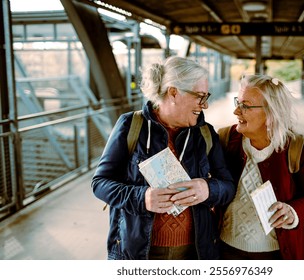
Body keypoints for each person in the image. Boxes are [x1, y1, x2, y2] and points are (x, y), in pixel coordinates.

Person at [91, 56, 235, 260]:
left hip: (194, 253)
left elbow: (228, 186)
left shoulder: (205, 134)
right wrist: (141, 198)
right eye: (200, 96)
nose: (205, 105)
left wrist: (208, 189)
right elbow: (100, 183)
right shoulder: (130, 126)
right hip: (139, 253)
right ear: (173, 93)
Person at [218, 74, 304, 260]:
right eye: (238, 102)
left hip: (277, 254)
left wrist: (292, 212)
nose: (236, 111)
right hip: (226, 251)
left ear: (271, 113)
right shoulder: (226, 140)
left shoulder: (298, 149)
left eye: (245, 105)